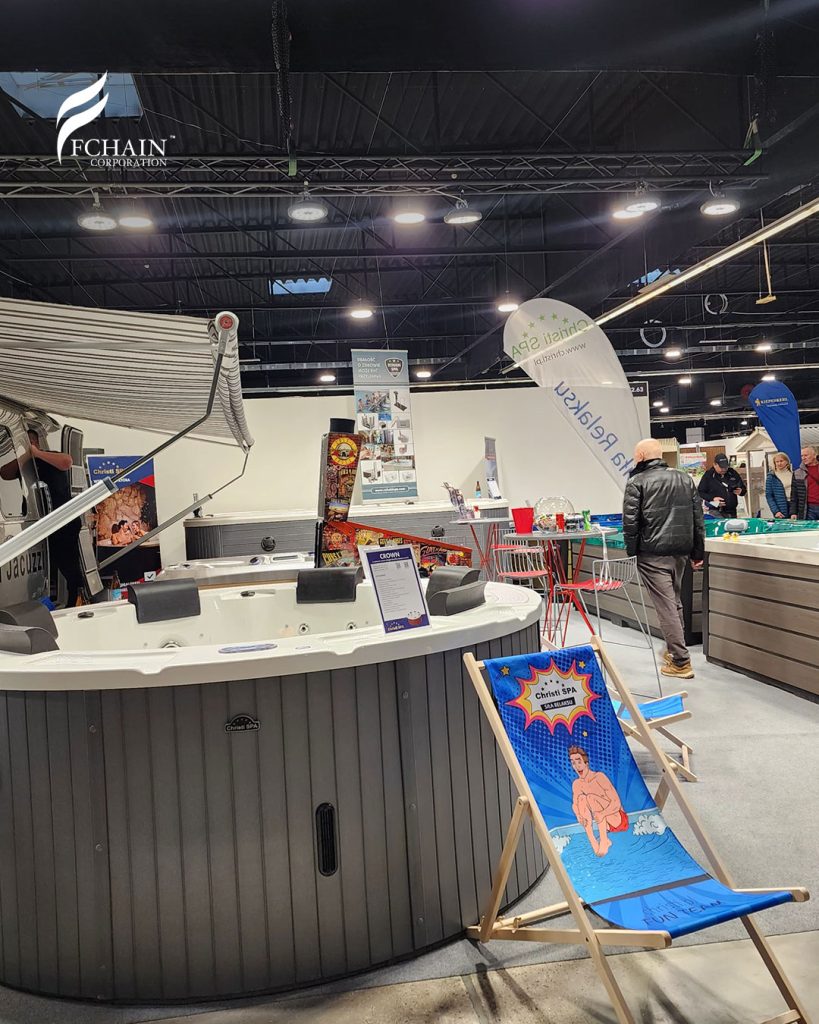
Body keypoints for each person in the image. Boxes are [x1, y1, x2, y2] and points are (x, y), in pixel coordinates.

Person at [623, 437, 705, 679]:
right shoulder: (684, 479)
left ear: (640, 456)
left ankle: (681, 662)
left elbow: (630, 523)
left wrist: (632, 551)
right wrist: (697, 552)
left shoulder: (637, 482)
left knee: (666, 606)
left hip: (652, 554)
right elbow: (697, 519)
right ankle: (674, 651)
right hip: (680, 552)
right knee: (674, 602)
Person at [0, 429, 83, 606]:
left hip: (62, 521)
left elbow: (67, 462)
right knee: (39, 564)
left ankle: (76, 597)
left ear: (34, 442)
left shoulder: (51, 456)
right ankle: (40, 600)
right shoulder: (23, 464)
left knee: (67, 563)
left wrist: (37, 453)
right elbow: (4, 473)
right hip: (36, 523)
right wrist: (25, 457)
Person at [569, 746, 627, 858]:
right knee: (581, 799)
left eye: (579, 761)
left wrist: (602, 813)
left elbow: (616, 803)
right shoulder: (577, 784)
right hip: (605, 824)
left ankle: (604, 840)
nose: (577, 766)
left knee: (591, 797)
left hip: (618, 819)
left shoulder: (599, 777)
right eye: (573, 763)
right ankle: (594, 844)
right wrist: (579, 816)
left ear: (586, 763)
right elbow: (575, 804)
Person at [765, 452, 805, 520]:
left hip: (794, 505)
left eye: (781, 461)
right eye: (777, 462)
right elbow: (769, 496)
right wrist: (776, 511)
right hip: (781, 507)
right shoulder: (771, 476)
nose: (779, 463)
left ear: (787, 461)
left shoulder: (793, 473)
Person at [800, 445, 819, 520]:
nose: (803, 458)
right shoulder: (798, 472)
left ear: (814, 455)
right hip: (809, 509)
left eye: (806, 455)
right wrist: (793, 512)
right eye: (802, 456)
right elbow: (794, 494)